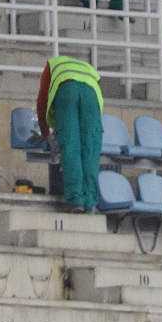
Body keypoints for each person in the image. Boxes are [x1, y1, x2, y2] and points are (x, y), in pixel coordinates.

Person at [35, 55, 103, 212]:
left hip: (67, 91)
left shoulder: (52, 66)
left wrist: (45, 132)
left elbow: (42, 102)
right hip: (91, 95)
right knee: (90, 150)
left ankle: (77, 200)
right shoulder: (88, 69)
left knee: (71, 147)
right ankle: (91, 202)